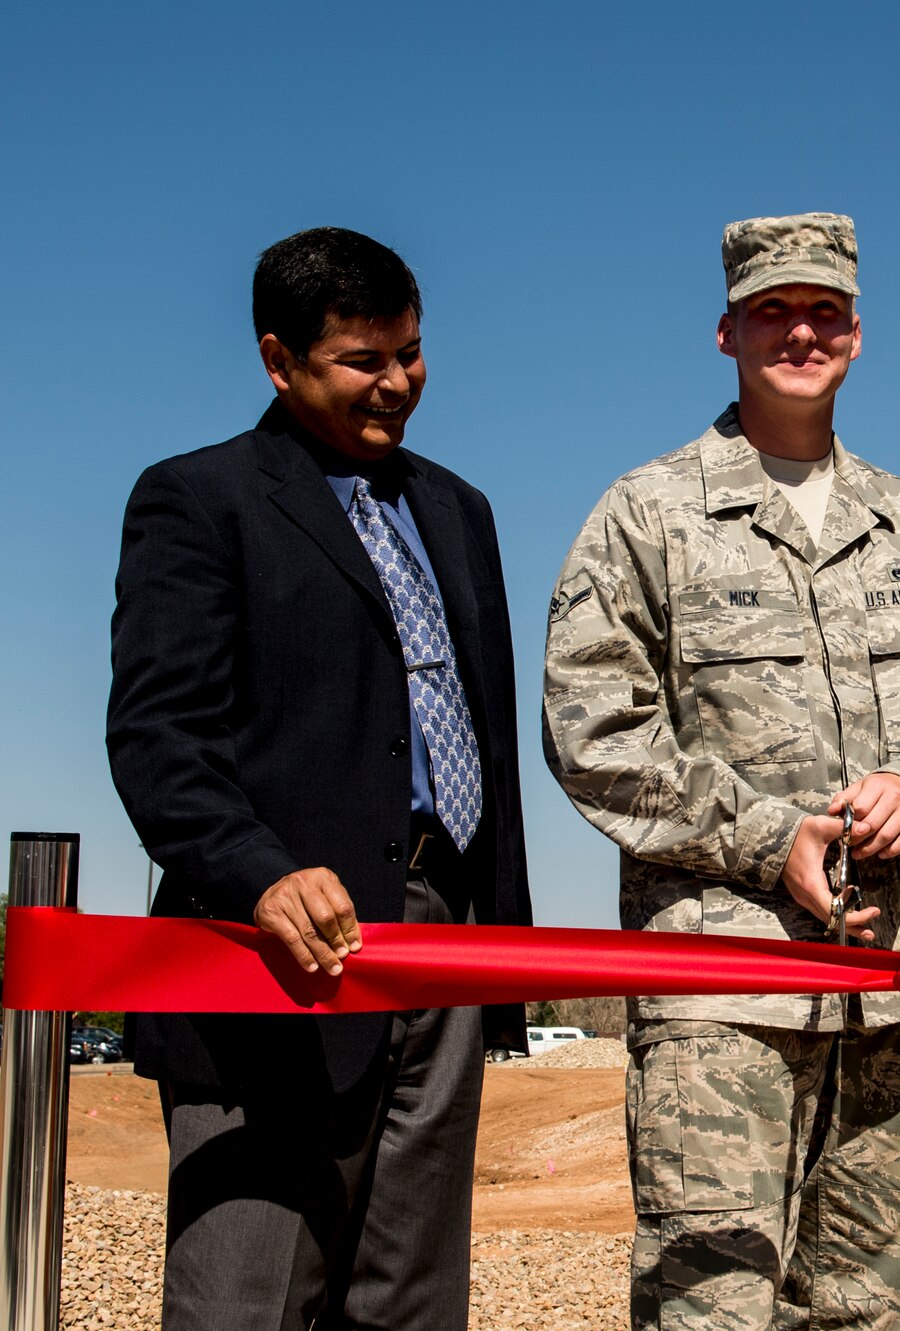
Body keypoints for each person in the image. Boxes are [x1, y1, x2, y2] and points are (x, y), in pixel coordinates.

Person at [542, 212, 900, 1331]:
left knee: (865, 1310)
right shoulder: (646, 515)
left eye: (822, 311)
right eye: (771, 310)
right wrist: (770, 835)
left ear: (857, 333)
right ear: (725, 332)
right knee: (708, 1308)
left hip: (883, 994)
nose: (798, 330)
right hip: (722, 999)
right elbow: (593, 728)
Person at [106, 226, 533, 1330]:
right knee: (245, 1301)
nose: (398, 382)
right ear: (277, 358)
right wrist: (260, 874)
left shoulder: (458, 510)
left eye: (412, 352)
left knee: (410, 1305)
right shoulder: (198, 501)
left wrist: (490, 936)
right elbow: (157, 735)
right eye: (363, 359)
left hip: (441, 947)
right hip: (271, 962)